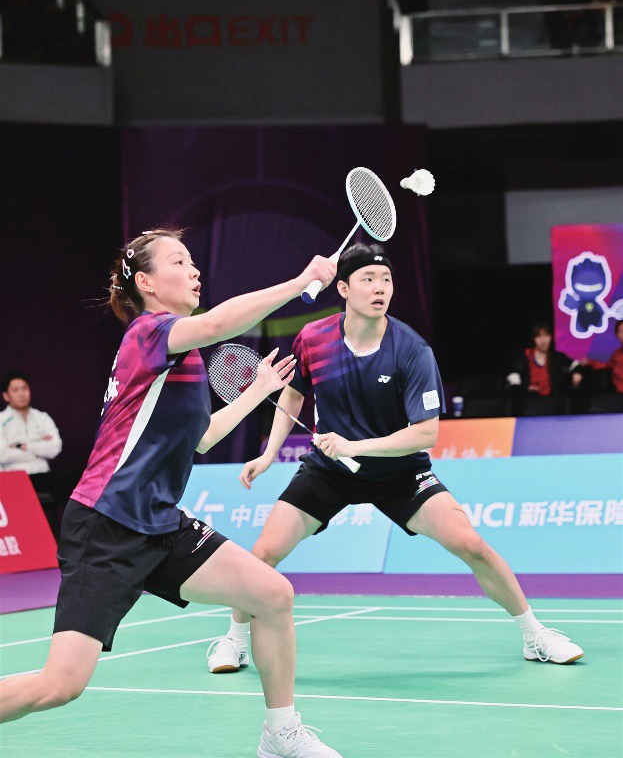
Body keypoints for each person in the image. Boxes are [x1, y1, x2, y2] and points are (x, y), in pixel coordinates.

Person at [0, 228, 344, 758]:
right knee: (60, 685)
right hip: (107, 525)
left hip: (159, 521)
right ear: (146, 283)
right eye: (179, 262)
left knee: (273, 595)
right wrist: (302, 282)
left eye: (192, 261)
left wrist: (257, 391)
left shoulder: (183, 356)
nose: (194, 270)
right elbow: (218, 323)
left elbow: (203, 436)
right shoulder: (149, 333)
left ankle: (280, 734)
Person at [207, 243, 584, 676]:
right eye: (368, 279)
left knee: (471, 544)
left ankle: (535, 635)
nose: (380, 288)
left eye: (386, 279)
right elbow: (293, 394)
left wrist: (355, 447)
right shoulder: (314, 339)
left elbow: (426, 434)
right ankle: (234, 641)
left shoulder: (411, 349)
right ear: (343, 289)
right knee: (264, 552)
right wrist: (269, 454)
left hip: (399, 471)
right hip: (329, 472)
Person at [0, 370, 64, 534]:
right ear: (6, 396)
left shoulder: (42, 417)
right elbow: (2, 454)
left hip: (41, 476)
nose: (21, 394)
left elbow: (55, 448)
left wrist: (23, 446)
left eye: (25, 388)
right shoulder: (1, 420)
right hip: (14, 478)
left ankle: (58, 538)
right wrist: (39, 446)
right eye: (16, 390)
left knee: (69, 480)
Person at [506, 321, 583, 396]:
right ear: (533, 339)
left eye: (546, 336)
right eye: (539, 336)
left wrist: (577, 373)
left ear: (551, 337)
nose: (543, 341)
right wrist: (525, 389)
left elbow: (575, 365)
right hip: (529, 401)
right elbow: (513, 383)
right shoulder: (524, 357)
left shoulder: (558, 357)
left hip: (553, 401)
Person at [580, 319, 623, 393]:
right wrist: (589, 362)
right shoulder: (616, 354)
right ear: (617, 335)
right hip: (618, 395)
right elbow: (606, 366)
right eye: (621, 331)